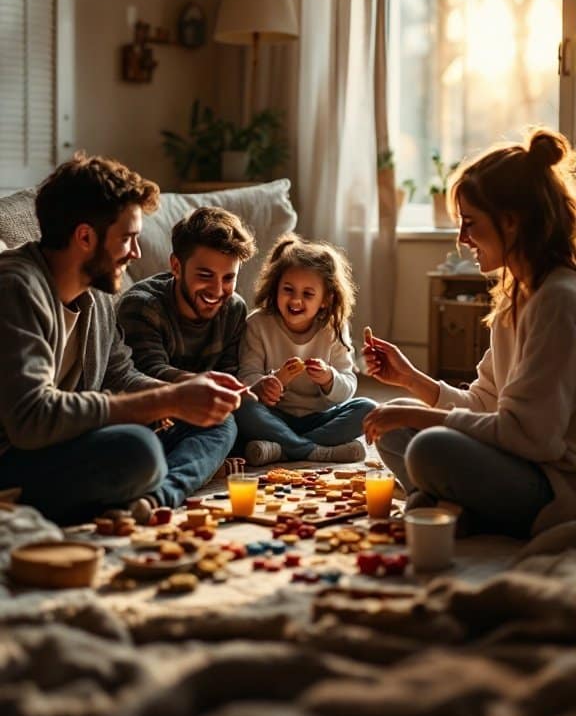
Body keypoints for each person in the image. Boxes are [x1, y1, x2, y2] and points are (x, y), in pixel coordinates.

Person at [0, 153, 246, 525]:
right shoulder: (17, 287)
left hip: (68, 442)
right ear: (85, 237)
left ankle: (151, 499)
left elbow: (120, 375)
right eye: (128, 239)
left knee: (216, 421)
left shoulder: (96, 294)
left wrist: (188, 393)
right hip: (14, 455)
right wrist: (165, 399)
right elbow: (32, 419)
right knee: (137, 451)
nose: (136, 253)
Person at [362, 127, 576, 537]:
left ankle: (450, 504)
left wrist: (416, 414)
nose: (462, 238)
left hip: (555, 483)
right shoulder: (515, 297)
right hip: (519, 461)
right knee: (391, 431)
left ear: (511, 222)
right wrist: (409, 380)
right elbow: (483, 402)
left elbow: (529, 438)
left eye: (471, 223)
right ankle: (454, 505)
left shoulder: (559, 300)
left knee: (428, 446)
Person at [117, 206, 256, 503]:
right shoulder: (142, 305)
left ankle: (160, 496)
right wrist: (201, 386)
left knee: (235, 420)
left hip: (198, 419)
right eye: (205, 275)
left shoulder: (234, 309)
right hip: (147, 416)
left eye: (228, 278)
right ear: (176, 267)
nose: (217, 290)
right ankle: (198, 464)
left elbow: (230, 372)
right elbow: (147, 371)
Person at [236, 234, 377, 466]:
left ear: (325, 300)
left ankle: (284, 450)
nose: (296, 300)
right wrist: (269, 383)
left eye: (308, 294)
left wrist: (329, 378)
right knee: (242, 406)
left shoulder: (334, 327)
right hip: (274, 418)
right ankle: (312, 450)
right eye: (288, 290)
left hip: (320, 419)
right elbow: (247, 377)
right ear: (275, 287)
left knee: (368, 409)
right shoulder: (258, 324)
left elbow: (348, 386)